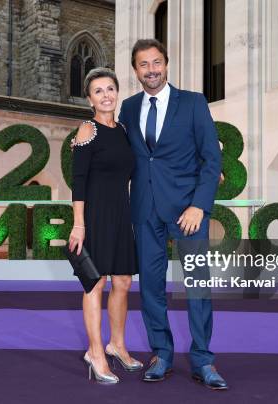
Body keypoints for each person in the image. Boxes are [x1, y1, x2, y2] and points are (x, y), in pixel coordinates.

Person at [118, 39, 227, 390]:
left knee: (197, 286)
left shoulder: (194, 103)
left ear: (167, 64)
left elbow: (212, 159)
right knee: (151, 287)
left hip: (187, 212)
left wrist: (200, 205)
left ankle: (203, 360)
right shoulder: (129, 108)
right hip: (145, 211)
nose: (151, 70)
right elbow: (122, 155)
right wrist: (85, 139)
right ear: (135, 70)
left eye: (156, 62)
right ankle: (161, 353)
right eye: (143, 64)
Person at [68, 67, 142, 384]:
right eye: (98, 91)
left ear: (117, 92)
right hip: (94, 216)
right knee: (95, 284)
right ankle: (96, 352)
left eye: (110, 88)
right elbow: (79, 182)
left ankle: (117, 344)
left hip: (121, 215)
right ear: (90, 99)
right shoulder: (87, 129)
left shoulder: (124, 130)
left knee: (123, 282)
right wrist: (78, 225)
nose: (106, 95)